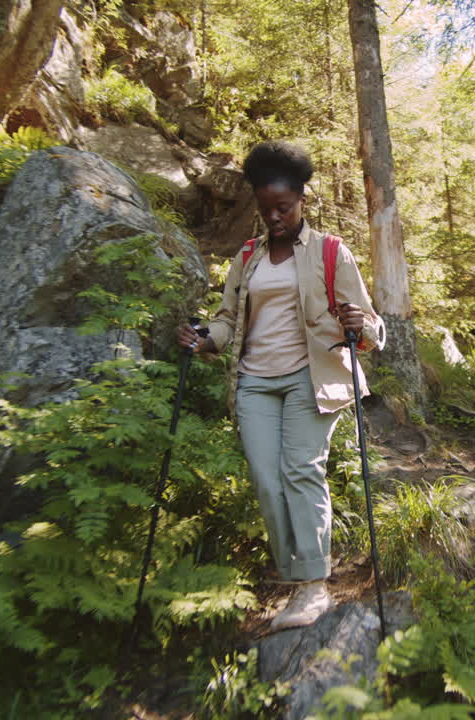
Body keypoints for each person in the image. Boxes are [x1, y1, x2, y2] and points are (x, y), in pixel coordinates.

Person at [176, 140, 386, 631]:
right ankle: (297, 578)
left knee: (300, 472)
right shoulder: (247, 256)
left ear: (301, 201)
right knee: (268, 482)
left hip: (311, 379)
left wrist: (360, 326)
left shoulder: (330, 251)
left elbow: (370, 325)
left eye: (283, 207)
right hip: (254, 382)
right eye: (265, 208)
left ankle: (313, 587)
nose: (273, 217)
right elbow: (228, 321)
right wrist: (204, 338)